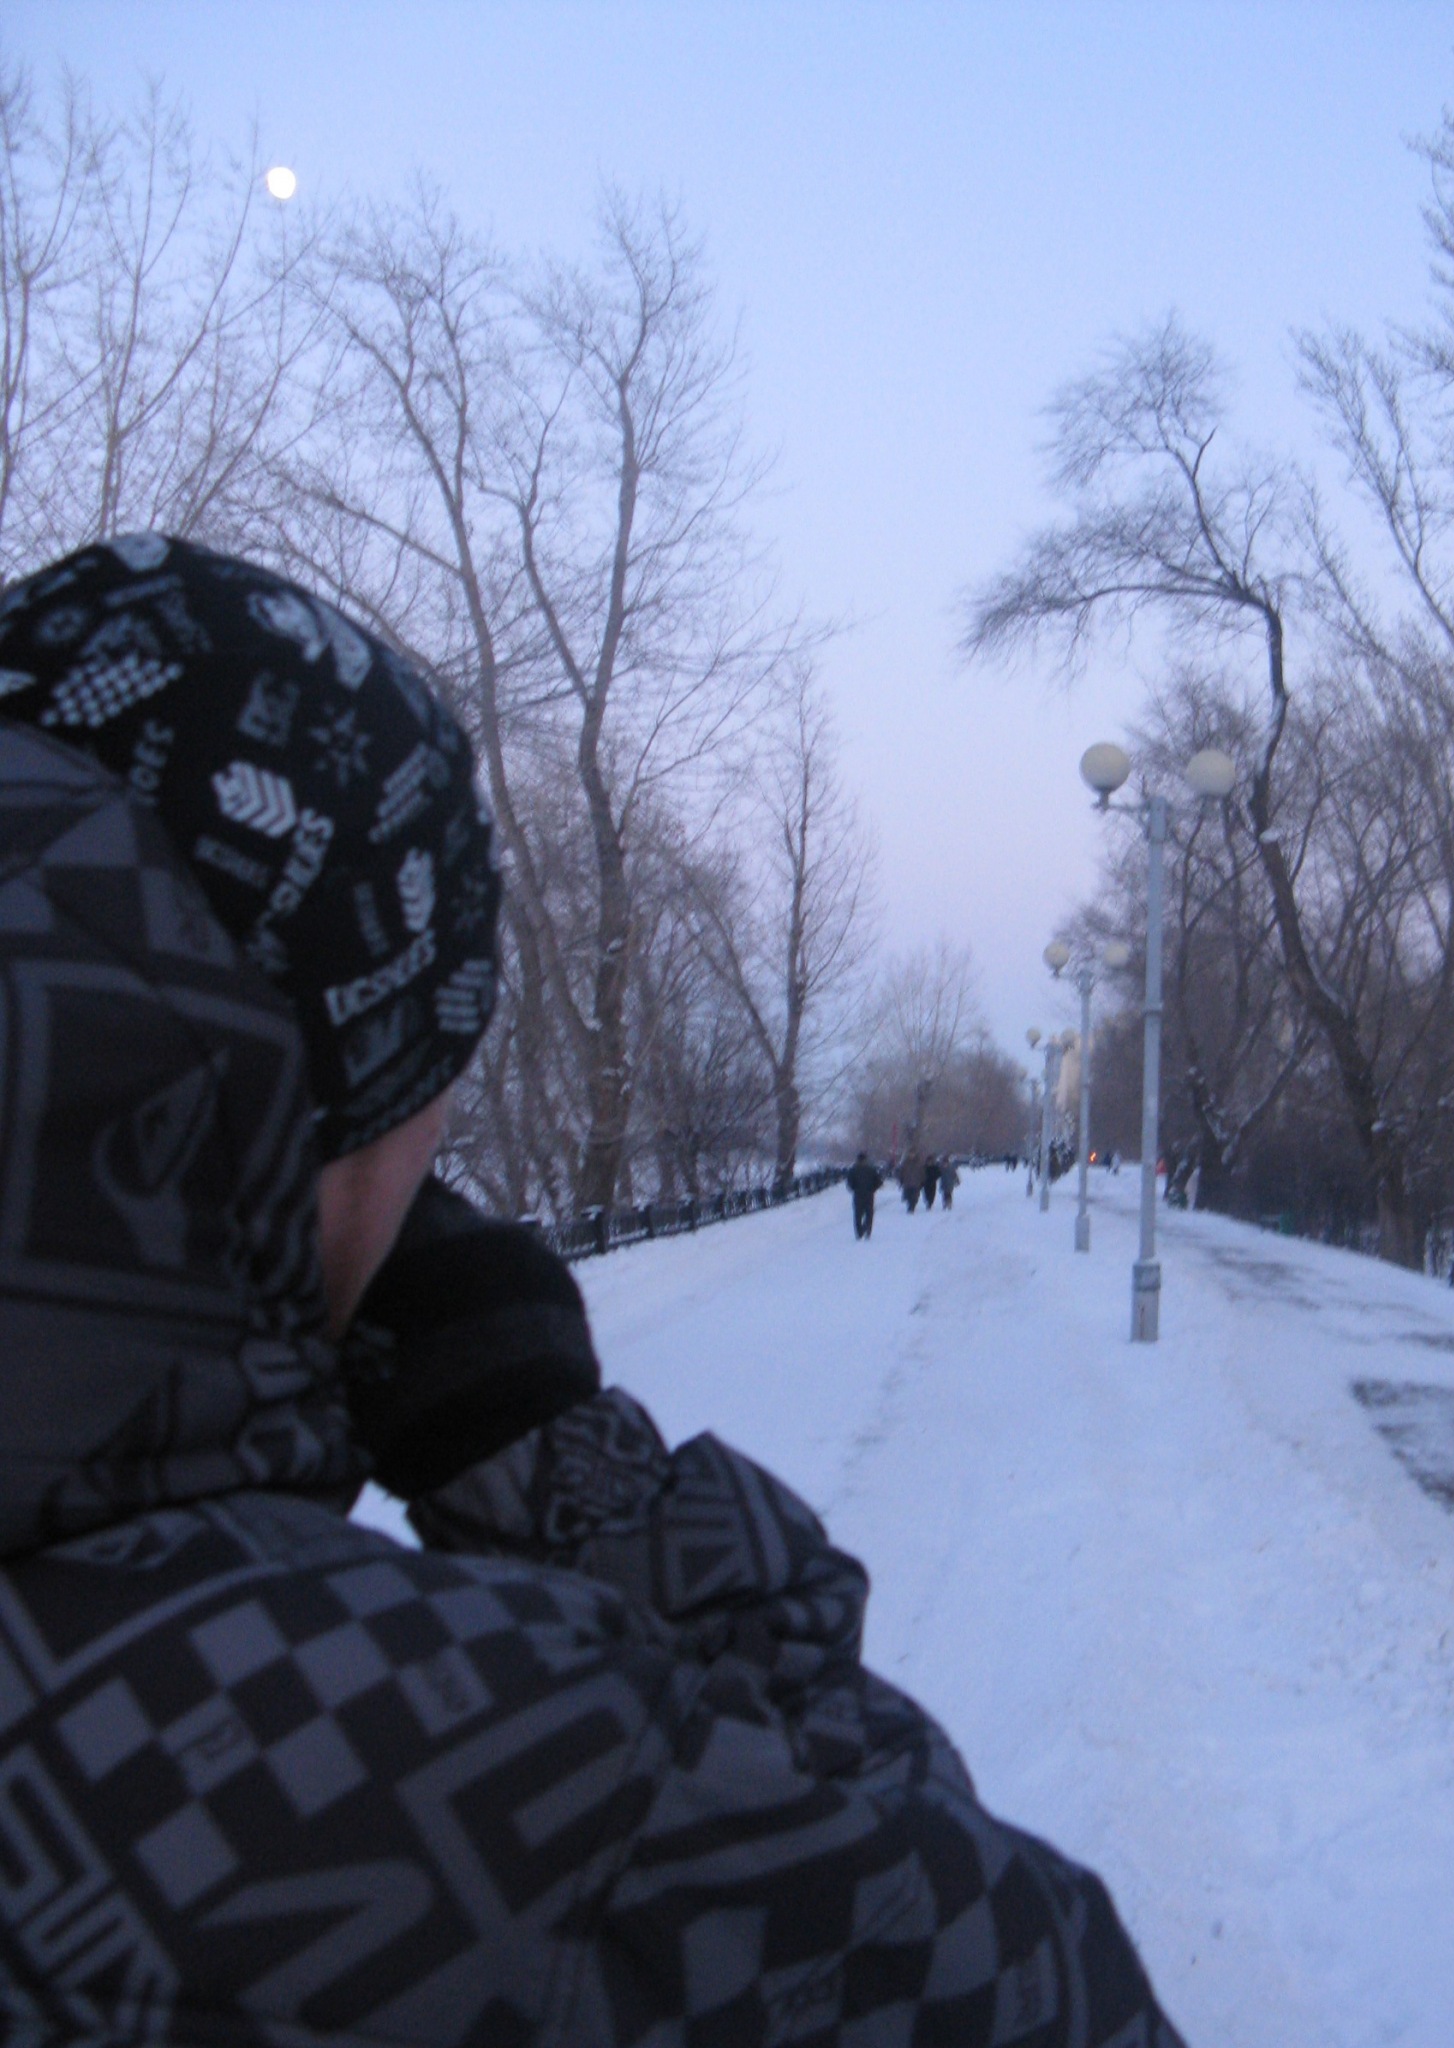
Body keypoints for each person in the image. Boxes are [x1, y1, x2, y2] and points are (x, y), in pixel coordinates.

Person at [0, 536, 1186, 2047]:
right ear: (344, 1113)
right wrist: (564, 1463)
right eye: (434, 1091)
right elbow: (1017, 1972)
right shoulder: (533, 1793)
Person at [846, 1148, 882, 1239]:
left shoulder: (853, 1170)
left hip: (858, 1195)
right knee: (869, 1213)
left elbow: (849, 1183)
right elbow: (879, 1181)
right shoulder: (872, 1169)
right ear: (866, 1160)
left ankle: (859, 1232)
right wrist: (873, 1188)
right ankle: (867, 1229)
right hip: (869, 1194)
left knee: (858, 1214)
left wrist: (854, 1189)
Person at [898, 1145, 925, 1214]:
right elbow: (901, 1171)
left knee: (915, 1196)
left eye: (913, 1153)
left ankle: (912, 1206)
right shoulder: (905, 1162)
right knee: (908, 1195)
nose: (912, 1155)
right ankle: (910, 1205)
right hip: (907, 1182)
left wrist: (922, 1180)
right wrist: (901, 1179)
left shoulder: (919, 1162)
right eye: (911, 1153)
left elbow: (922, 1171)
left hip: (916, 1182)